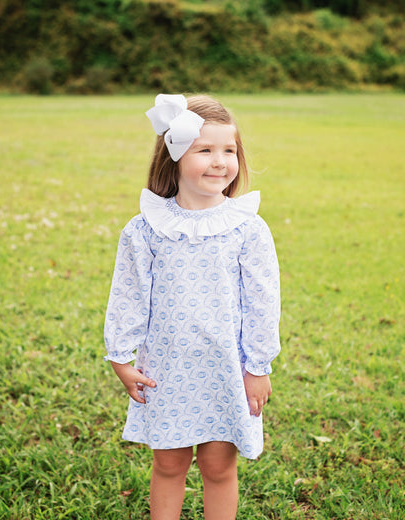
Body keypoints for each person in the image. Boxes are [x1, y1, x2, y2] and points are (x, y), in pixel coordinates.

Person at [104, 94, 281, 520]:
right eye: (205, 149)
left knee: (218, 466)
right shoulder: (145, 229)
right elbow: (128, 294)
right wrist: (121, 357)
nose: (220, 161)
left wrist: (258, 367)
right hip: (166, 370)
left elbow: (262, 302)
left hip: (225, 370)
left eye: (229, 150)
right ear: (175, 155)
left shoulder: (247, 229)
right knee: (168, 463)